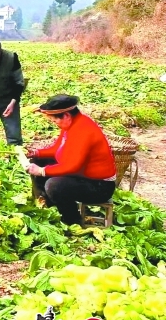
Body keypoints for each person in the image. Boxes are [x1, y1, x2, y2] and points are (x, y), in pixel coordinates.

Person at [25, 95, 116, 225]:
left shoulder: (83, 130)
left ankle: (72, 220)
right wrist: (37, 153)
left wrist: (42, 171)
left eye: (54, 120)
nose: (54, 124)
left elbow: (72, 166)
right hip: (83, 175)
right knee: (37, 161)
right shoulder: (71, 125)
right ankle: (48, 204)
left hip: (99, 186)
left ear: (66, 115)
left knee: (54, 185)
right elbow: (58, 148)